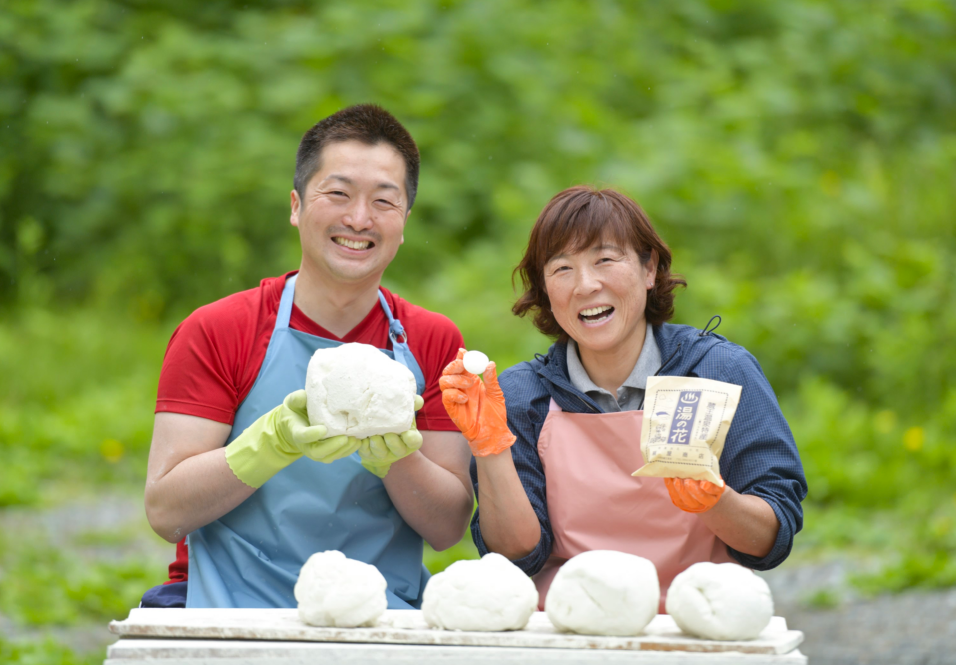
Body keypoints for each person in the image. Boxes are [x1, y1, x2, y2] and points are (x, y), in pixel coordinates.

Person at [140, 105, 474, 610]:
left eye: (384, 201)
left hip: (380, 618)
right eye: (337, 194)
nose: (358, 219)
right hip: (229, 610)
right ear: (296, 205)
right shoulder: (220, 330)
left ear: (404, 222)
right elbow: (167, 513)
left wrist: (398, 459)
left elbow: (448, 527)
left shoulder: (432, 340)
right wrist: (268, 444)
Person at [440, 186, 807, 609]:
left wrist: (716, 502)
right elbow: (517, 556)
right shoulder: (523, 395)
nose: (586, 285)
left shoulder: (716, 371)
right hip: (568, 629)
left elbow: (771, 539)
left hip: (696, 626)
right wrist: (490, 448)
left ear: (649, 269)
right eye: (562, 269)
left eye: (605, 260)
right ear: (544, 290)